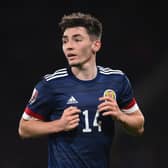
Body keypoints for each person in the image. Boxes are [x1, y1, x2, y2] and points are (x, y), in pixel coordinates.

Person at [18, 12, 145, 168]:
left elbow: (139, 126)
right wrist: (59, 125)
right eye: (65, 41)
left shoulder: (117, 80)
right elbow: (24, 128)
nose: (69, 46)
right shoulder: (50, 84)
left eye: (77, 39)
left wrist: (120, 116)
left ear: (96, 45)